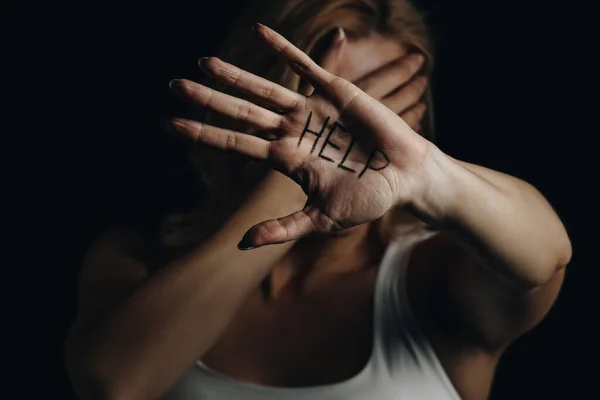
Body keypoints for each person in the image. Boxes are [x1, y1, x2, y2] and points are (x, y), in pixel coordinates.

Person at [64, 1, 572, 399]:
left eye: (377, 112)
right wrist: (289, 180)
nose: (348, 142)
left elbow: (546, 258)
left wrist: (426, 174)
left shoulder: (437, 273)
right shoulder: (136, 260)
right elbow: (114, 386)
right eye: (319, 106)